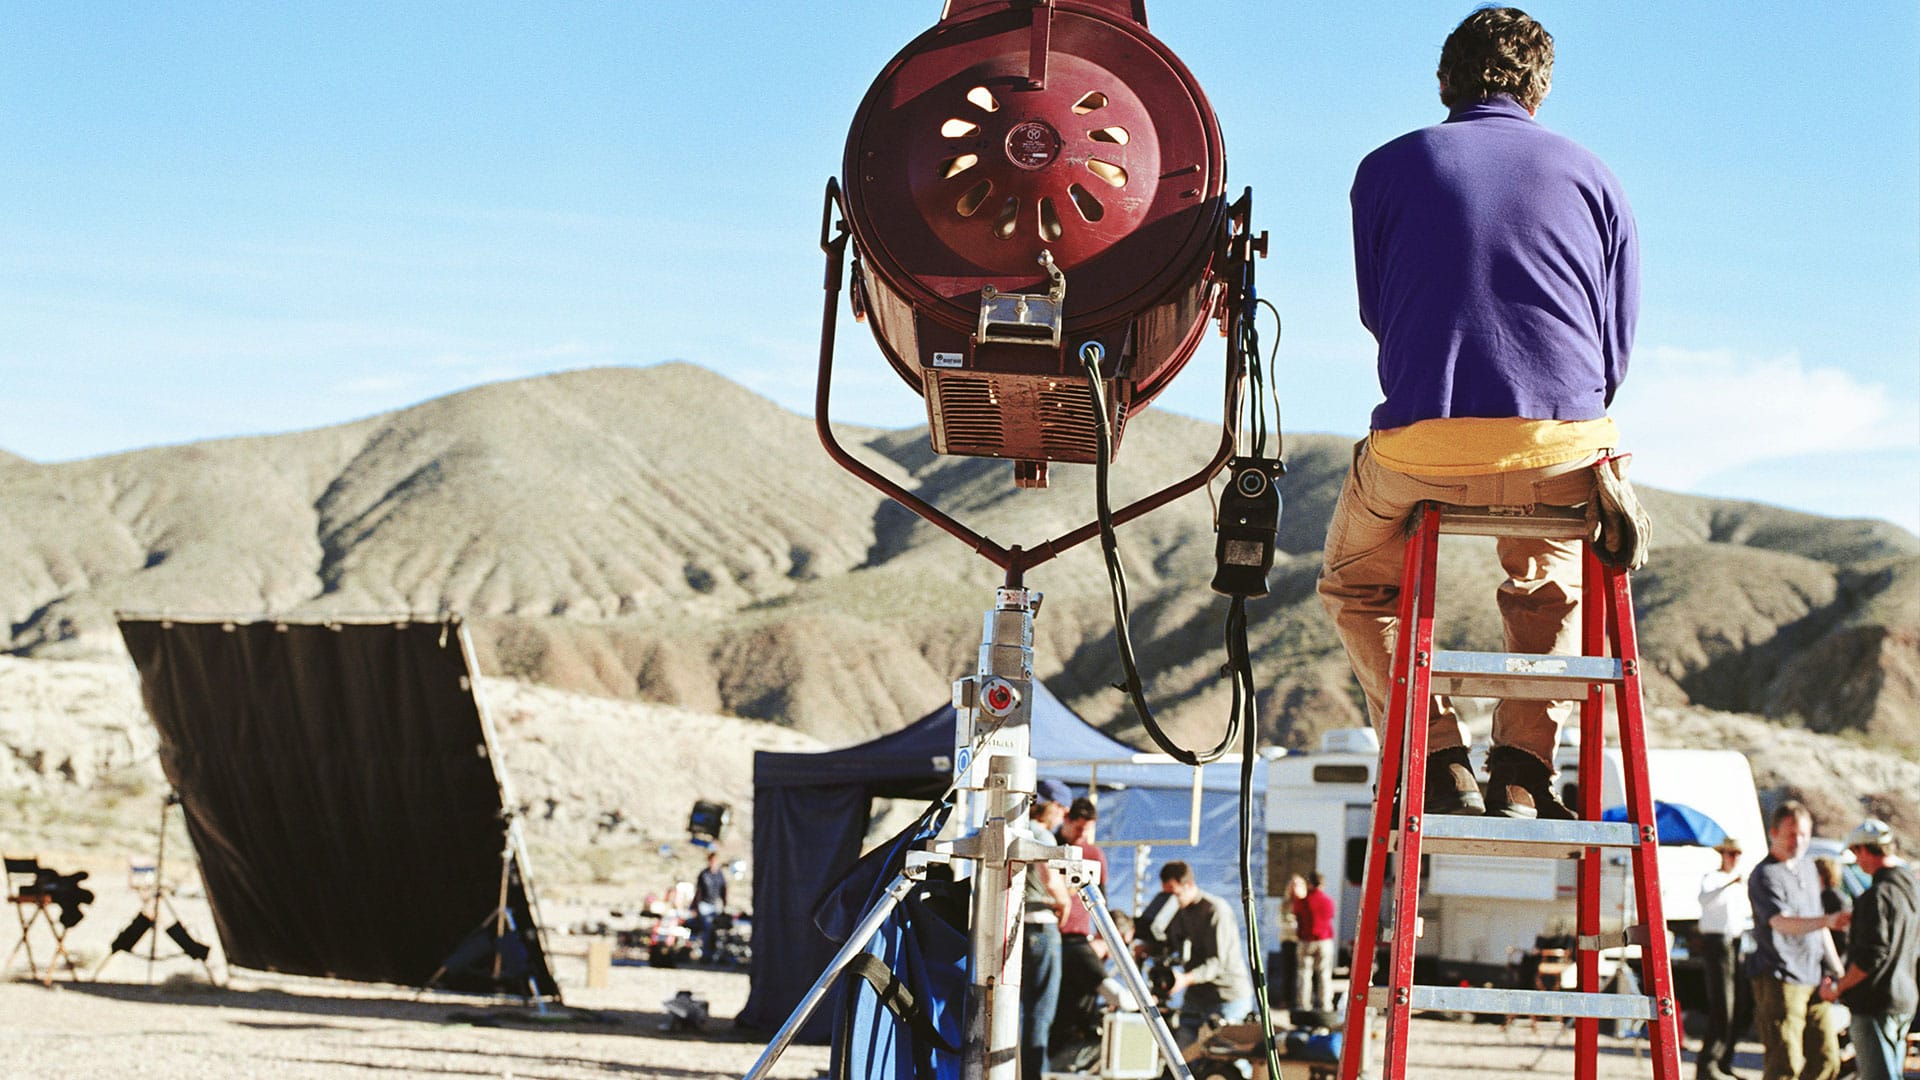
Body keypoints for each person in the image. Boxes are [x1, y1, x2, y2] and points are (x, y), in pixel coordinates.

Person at [1319, 6, 1641, 819]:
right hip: (1561, 440)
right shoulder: (1594, 174)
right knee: (1548, 579)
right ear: (1540, 91)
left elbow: (1377, 311)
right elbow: (1615, 346)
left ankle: (1437, 761)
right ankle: (1525, 771)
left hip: (1424, 437)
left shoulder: (1385, 168)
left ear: (1444, 82)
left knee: (1357, 587)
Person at [1748, 801, 1850, 1080]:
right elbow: (1781, 922)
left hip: (1814, 976)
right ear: (1774, 832)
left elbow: (1819, 925)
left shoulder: (1807, 868)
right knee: (1785, 1063)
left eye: (1804, 834)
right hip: (1780, 977)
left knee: (1827, 1059)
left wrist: (1838, 972)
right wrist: (1827, 921)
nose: (1799, 841)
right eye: (1791, 834)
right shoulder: (1765, 874)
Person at [1820, 820, 1918, 1080]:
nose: (1856, 860)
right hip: (1903, 997)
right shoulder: (1908, 889)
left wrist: (1838, 987)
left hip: (1875, 1002)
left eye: (1856, 853)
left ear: (1865, 850)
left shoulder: (1876, 896)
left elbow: (1870, 957)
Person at [1159, 860, 1254, 1043]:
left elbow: (1217, 963)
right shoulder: (1177, 910)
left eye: (1175, 894)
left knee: (1223, 1062)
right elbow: (1171, 943)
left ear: (1189, 885)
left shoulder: (1215, 910)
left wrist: (1184, 979)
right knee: (1184, 1056)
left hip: (1226, 998)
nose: (1171, 901)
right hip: (1196, 998)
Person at [1019, 778, 1074, 1080]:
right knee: (1040, 1012)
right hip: (1041, 927)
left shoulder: (1013, 830)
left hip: (1013, 930)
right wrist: (1065, 902)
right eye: (1063, 810)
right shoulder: (1042, 836)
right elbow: (1050, 878)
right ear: (1051, 806)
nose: (1062, 818)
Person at [1051, 797, 1110, 1056]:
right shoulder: (1048, 846)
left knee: (1081, 998)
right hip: (1053, 936)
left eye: (1087, 830)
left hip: (1079, 938)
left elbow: (1102, 900)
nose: (1082, 836)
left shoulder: (1093, 854)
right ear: (1067, 821)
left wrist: (1102, 939)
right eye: (1078, 829)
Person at [1696, 837, 1752, 1080]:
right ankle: (1709, 1062)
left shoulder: (1740, 883)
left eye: (1738, 854)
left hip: (1735, 942)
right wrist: (1730, 883)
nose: (1735, 858)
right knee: (1722, 1005)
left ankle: (1724, 1060)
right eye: (1731, 854)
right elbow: (1705, 899)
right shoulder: (1714, 878)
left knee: (1739, 1005)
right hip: (1716, 943)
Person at [1291, 872, 1337, 1014]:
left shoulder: (1303, 902)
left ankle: (1304, 1005)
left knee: (1304, 974)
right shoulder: (1328, 901)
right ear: (1322, 884)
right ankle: (1326, 1005)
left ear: (1309, 883)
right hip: (1324, 941)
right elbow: (1331, 916)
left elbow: (1297, 916)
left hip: (1306, 940)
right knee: (1324, 974)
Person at [693, 850, 728, 961]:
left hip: (714, 904)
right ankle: (706, 954)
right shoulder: (704, 874)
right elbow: (698, 892)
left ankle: (716, 953)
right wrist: (697, 907)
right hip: (704, 904)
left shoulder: (720, 874)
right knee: (707, 927)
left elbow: (724, 889)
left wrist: (724, 904)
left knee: (715, 929)